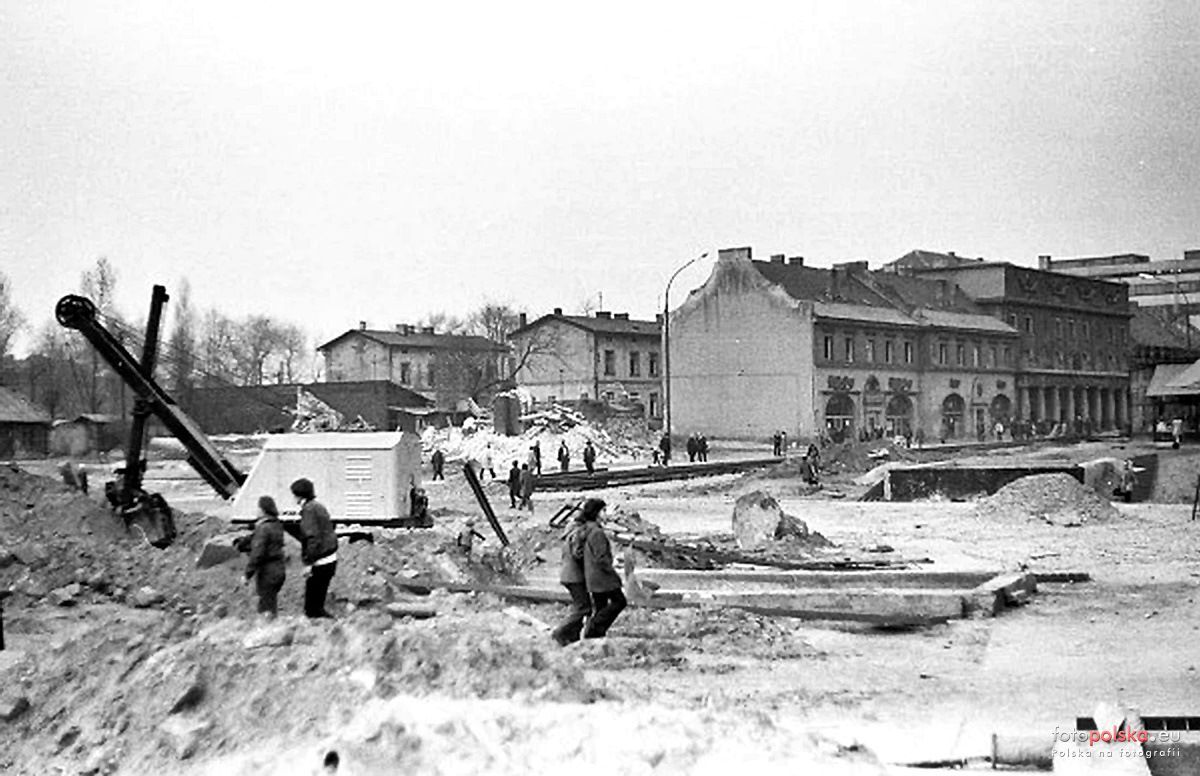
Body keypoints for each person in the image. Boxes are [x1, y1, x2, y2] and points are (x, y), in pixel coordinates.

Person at [579, 498, 626, 638]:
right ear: (597, 513)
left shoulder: (587, 529)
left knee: (601, 607)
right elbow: (601, 558)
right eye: (604, 510)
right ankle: (593, 629)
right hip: (602, 578)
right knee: (620, 601)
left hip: (592, 577)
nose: (606, 514)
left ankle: (597, 634)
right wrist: (613, 566)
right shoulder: (597, 533)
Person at [291, 478, 338, 619]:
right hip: (330, 559)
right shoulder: (318, 506)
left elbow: (312, 538)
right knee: (318, 604)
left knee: (312, 608)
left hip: (320, 562)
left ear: (299, 495)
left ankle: (319, 633)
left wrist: (308, 563)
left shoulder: (309, 511)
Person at [550, 507, 591, 645]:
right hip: (575, 577)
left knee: (580, 605)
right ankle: (560, 633)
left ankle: (572, 637)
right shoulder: (579, 533)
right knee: (584, 607)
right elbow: (578, 554)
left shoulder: (570, 532)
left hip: (569, 575)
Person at [245, 495, 286, 617]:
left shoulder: (263, 528)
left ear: (263, 510)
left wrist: (247, 574)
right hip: (279, 569)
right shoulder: (277, 525)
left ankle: (268, 632)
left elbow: (258, 554)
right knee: (271, 602)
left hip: (268, 572)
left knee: (265, 608)